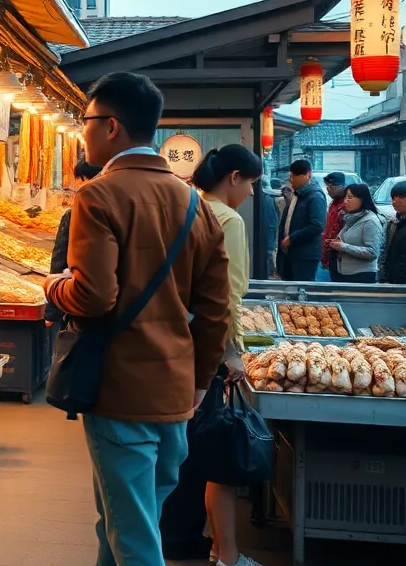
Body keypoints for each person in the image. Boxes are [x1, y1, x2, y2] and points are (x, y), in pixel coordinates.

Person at [45, 72, 231, 566]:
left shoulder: (98, 196)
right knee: (126, 518)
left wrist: (52, 285)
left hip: (119, 390)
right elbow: (217, 312)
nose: (82, 132)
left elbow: (93, 297)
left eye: (85, 121)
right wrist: (198, 383)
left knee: (134, 536)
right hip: (174, 390)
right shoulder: (197, 205)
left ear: (110, 126)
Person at [161, 145, 265, 566]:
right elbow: (228, 295)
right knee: (202, 443)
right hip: (205, 346)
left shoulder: (186, 207)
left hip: (173, 340)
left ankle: (178, 536)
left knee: (178, 442)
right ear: (235, 177)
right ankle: (210, 547)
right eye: (252, 184)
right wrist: (233, 353)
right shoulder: (228, 219)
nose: (252, 194)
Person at [46, 160, 102, 327]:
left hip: (79, 303)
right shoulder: (118, 209)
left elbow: (59, 261)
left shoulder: (74, 215)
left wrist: (52, 311)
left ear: (84, 179)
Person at [276, 160, 327, 282]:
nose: (291, 180)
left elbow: (317, 226)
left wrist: (292, 238)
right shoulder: (297, 194)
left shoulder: (315, 196)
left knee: (301, 291)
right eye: (290, 176)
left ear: (308, 175)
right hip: (289, 253)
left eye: (294, 176)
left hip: (305, 255)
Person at [328, 182, 384, 283]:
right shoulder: (350, 218)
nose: (346, 201)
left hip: (361, 275)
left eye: (350, 197)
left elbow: (372, 252)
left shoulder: (370, 221)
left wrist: (343, 247)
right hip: (344, 273)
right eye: (345, 197)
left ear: (362, 199)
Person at [319, 172, 349, 282]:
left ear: (341, 187)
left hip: (340, 253)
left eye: (331, 187)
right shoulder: (332, 204)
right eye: (327, 187)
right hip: (329, 252)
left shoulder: (346, 206)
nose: (328, 190)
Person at [379, 181, 406, 284]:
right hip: (392, 280)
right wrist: (382, 276)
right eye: (393, 198)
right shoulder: (392, 223)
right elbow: (384, 252)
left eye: (399, 197)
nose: (394, 202)